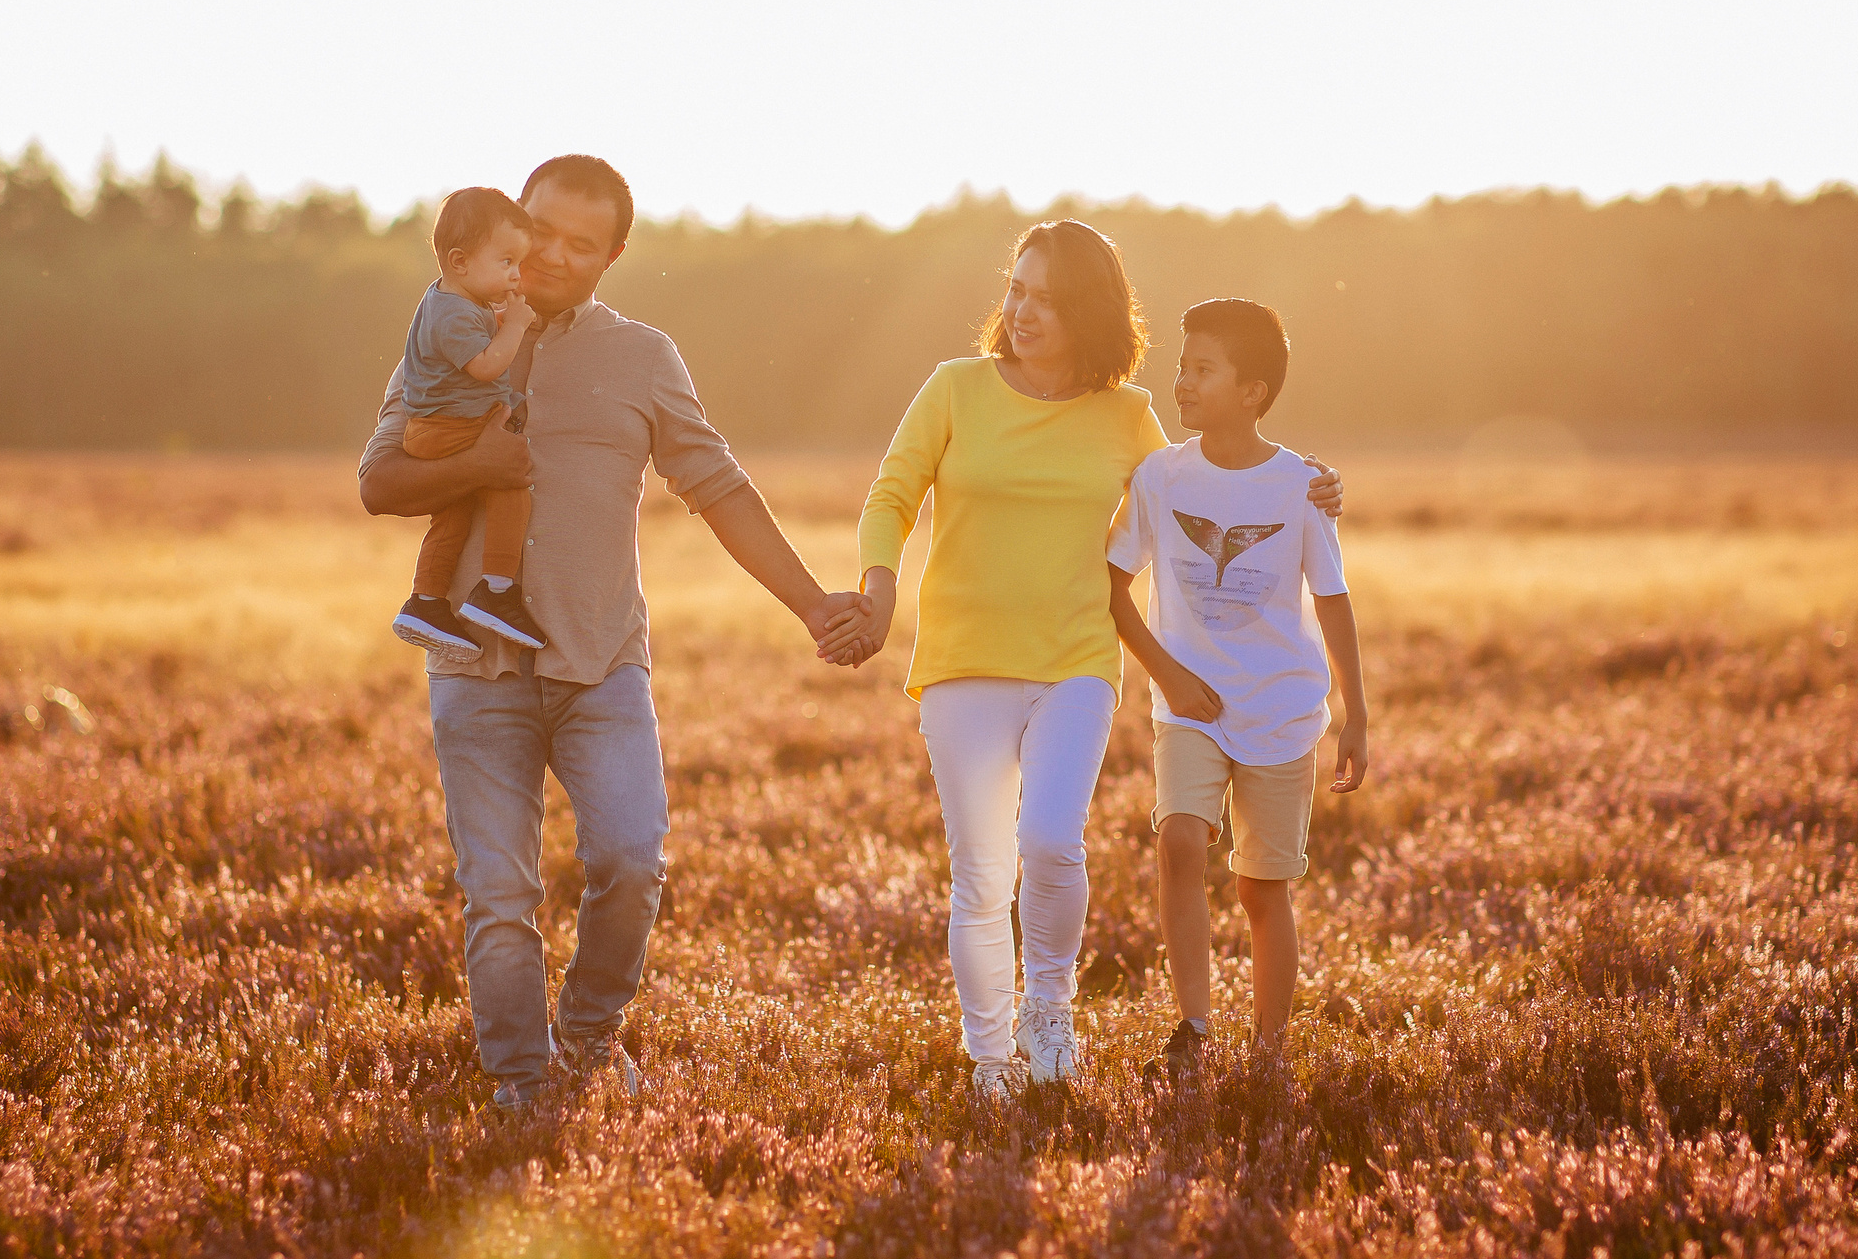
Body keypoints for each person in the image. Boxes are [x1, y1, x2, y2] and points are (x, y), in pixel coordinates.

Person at [359, 153, 866, 1110]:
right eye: (537, 227)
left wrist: (811, 604)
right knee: (499, 897)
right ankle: (519, 1085)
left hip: (602, 665)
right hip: (477, 665)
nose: (549, 252)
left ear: (612, 256)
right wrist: (487, 465)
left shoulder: (642, 355)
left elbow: (718, 487)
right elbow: (378, 483)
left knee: (631, 862)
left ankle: (585, 1040)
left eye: (577, 243)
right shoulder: (447, 333)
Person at [836, 222, 1342, 1103]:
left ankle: (1051, 1010)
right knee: (984, 868)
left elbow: (1205, 486)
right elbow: (892, 494)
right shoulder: (953, 390)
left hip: (1077, 659)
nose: (1022, 310)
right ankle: (990, 1054)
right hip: (962, 660)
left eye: (1047, 299)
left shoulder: (1127, 414)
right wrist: (879, 589)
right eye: (1017, 289)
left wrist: (1309, 482)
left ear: (1090, 315)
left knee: (1050, 841)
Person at [1105, 299, 1368, 1082]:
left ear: (1252, 391)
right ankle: (1192, 1027)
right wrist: (1168, 675)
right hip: (1188, 708)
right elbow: (1114, 587)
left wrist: (1356, 713)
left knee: (1262, 889)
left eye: (1202, 369)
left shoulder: (1300, 486)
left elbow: (1333, 599)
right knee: (1179, 840)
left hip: (1283, 713)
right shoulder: (1159, 476)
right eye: (1182, 366)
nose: (1181, 382)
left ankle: (1267, 1050)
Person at [390, 186, 545, 656]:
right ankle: (497, 592)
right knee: (510, 488)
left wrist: (497, 315)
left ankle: (426, 601)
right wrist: (515, 325)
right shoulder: (453, 314)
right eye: (506, 263)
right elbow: (484, 367)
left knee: (452, 516)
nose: (517, 275)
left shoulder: (451, 300)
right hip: (451, 427)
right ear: (459, 262)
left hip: (434, 428)